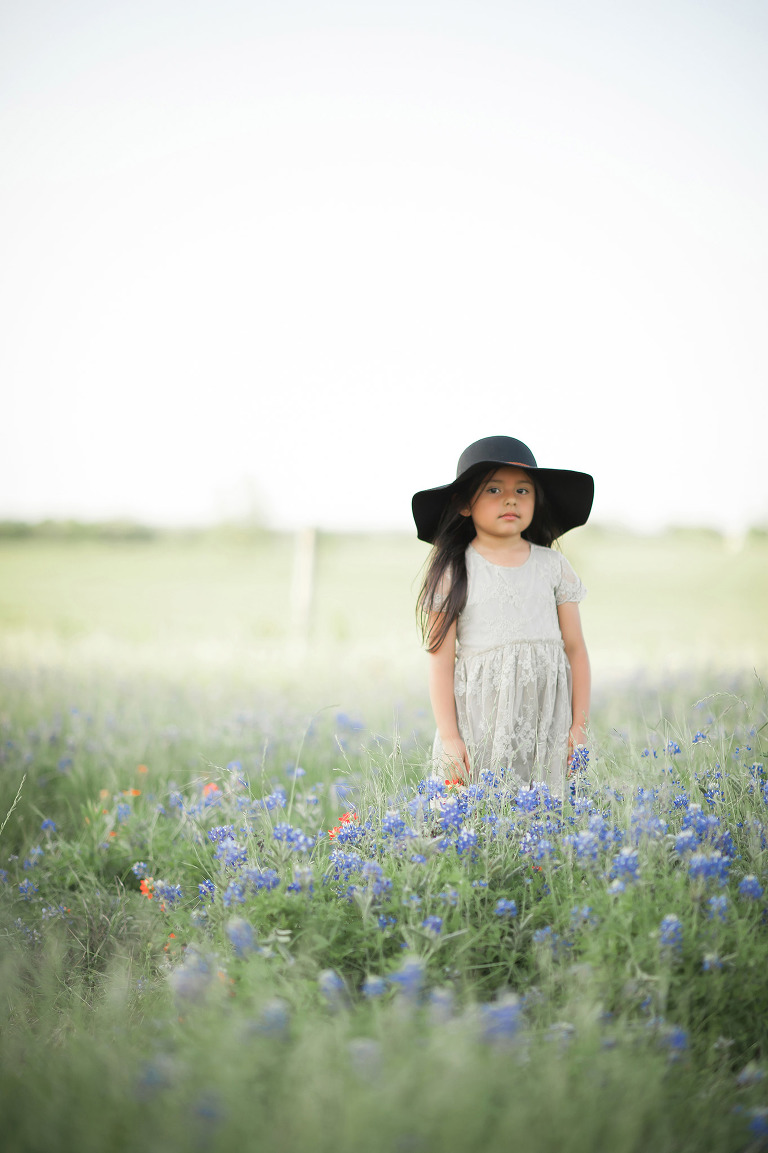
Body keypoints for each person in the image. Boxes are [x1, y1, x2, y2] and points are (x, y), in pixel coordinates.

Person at [412, 435, 594, 796]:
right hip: (481, 723)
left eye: (523, 490)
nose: (511, 498)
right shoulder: (455, 570)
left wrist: (580, 726)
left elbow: (576, 650)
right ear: (464, 504)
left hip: (547, 722)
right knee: (478, 819)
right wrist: (449, 737)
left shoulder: (554, 566)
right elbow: (440, 660)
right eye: (494, 489)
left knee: (547, 817)